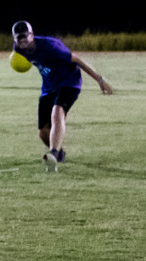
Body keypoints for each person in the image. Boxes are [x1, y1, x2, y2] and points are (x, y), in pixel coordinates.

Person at [10, 21, 113, 171]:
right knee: (43, 132)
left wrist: (100, 80)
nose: (23, 40)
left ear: (32, 35)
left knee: (57, 111)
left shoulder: (50, 46)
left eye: (25, 36)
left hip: (69, 82)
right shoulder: (18, 50)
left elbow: (76, 59)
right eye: (19, 38)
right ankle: (60, 154)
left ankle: (53, 153)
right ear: (14, 39)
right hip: (49, 87)